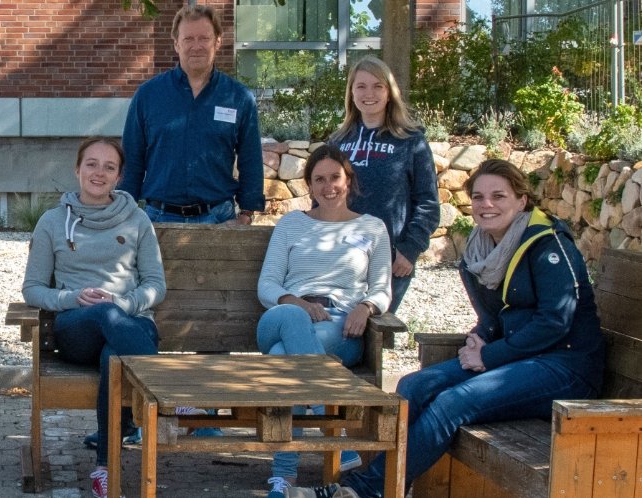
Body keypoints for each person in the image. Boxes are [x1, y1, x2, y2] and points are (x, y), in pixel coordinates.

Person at [289, 159, 605, 498]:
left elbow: (557, 320)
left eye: (498, 196)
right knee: (414, 385)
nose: (487, 205)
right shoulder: (482, 249)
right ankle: (380, 483)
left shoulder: (547, 244)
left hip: (564, 366)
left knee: (453, 402)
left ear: (521, 200)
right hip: (517, 358)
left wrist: (489, 355)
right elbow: (493, 316)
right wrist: (480, 338)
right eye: (479, 197)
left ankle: (363, 491)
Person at [22, 138, 167, 498]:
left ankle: (105, 469)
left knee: (113, 358)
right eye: (91, 164)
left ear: (119, 176)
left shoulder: (138, 220)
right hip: (77, 329)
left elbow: (155, 285)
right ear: (77, 169)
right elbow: (33, 288)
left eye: (109, 167)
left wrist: (123, 302)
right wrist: (72, 298)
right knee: (102, 314)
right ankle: (169, 392)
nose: (98, 172)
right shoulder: (53, 222)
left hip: (131, 323)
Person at [256, 146, 391, 498]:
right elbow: (267, 285)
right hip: (281, 315)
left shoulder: (372, 228)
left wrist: (366, 308)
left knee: (285, 358)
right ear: (309, 186)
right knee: (288, 320)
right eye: (319, 179)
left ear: (349, 181)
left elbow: (381, 288)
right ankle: (326, 413)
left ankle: (283, 478)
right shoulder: (291, 225)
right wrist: (296, 302)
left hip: (340, 326)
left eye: (335, 177)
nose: (328, 186)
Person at [119, 4, 264, 226]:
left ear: (217, 41)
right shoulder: (148, 96)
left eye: (204, 38)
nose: (196, 46)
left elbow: (251, 158)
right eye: (188, 39)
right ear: (176, 43)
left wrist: (246, 213)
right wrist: (124, 212)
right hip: (157, 219)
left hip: (219, 219)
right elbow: (132, 158)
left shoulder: (239, 97)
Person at [328, 55, 440, 313]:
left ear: (390, 92)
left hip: (390, 259)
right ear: (351, 93)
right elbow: (322, 197)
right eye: (361, 86)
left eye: (378, 86)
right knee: (340, 325)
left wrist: (410, 249)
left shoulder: (412, 141)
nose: (369, 93)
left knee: (373, 329)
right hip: (341, 255)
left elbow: (428, 203)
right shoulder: (337, 142)